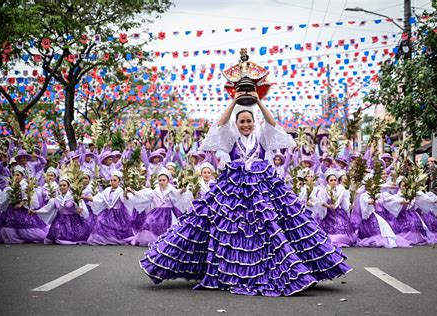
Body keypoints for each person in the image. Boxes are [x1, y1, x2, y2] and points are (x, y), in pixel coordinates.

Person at [139, 91, 351, 296]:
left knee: (276, 225)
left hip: (262, 187)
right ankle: (225, 270)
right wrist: (234, 103)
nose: (246, 125)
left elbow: (272, 124)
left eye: (249, 121)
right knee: (219, 226)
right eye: (242, 122)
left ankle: (280, 268)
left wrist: (258, 103)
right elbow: (220, 125)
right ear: (237, 123)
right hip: (234, 187)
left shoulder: (262, 137)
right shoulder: (230, 139)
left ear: (254, 121)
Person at [31, 176, 91, 244]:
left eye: (64, 185)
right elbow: (47, 209)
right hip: (60, 220)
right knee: (56, 233)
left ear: (68, 187)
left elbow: (81, 208)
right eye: (60, 185)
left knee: (70, 238)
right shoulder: (56, 199)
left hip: (72, 220)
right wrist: (35, 211)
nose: (62, 187)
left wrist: (79, 210)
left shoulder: (73, 197)